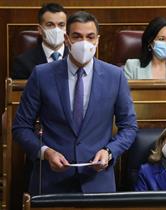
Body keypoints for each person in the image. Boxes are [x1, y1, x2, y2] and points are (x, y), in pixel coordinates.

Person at [12, 11, 138, 195]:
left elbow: (129, 127)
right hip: (50, 182)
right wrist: (45, 152)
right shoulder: (42, 75)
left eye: (90, 37)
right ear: (66, 38)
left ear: (98, 40)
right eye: (77, 36)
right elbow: (21, 127)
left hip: (97, 183)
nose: (84, 42)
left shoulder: (115, 76)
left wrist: (109, 152)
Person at [12, 3, 68, 79]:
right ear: (40, 30)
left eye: (61, 25)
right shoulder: (23, 62)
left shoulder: (76, 58)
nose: (56, 29)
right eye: (50, 25)